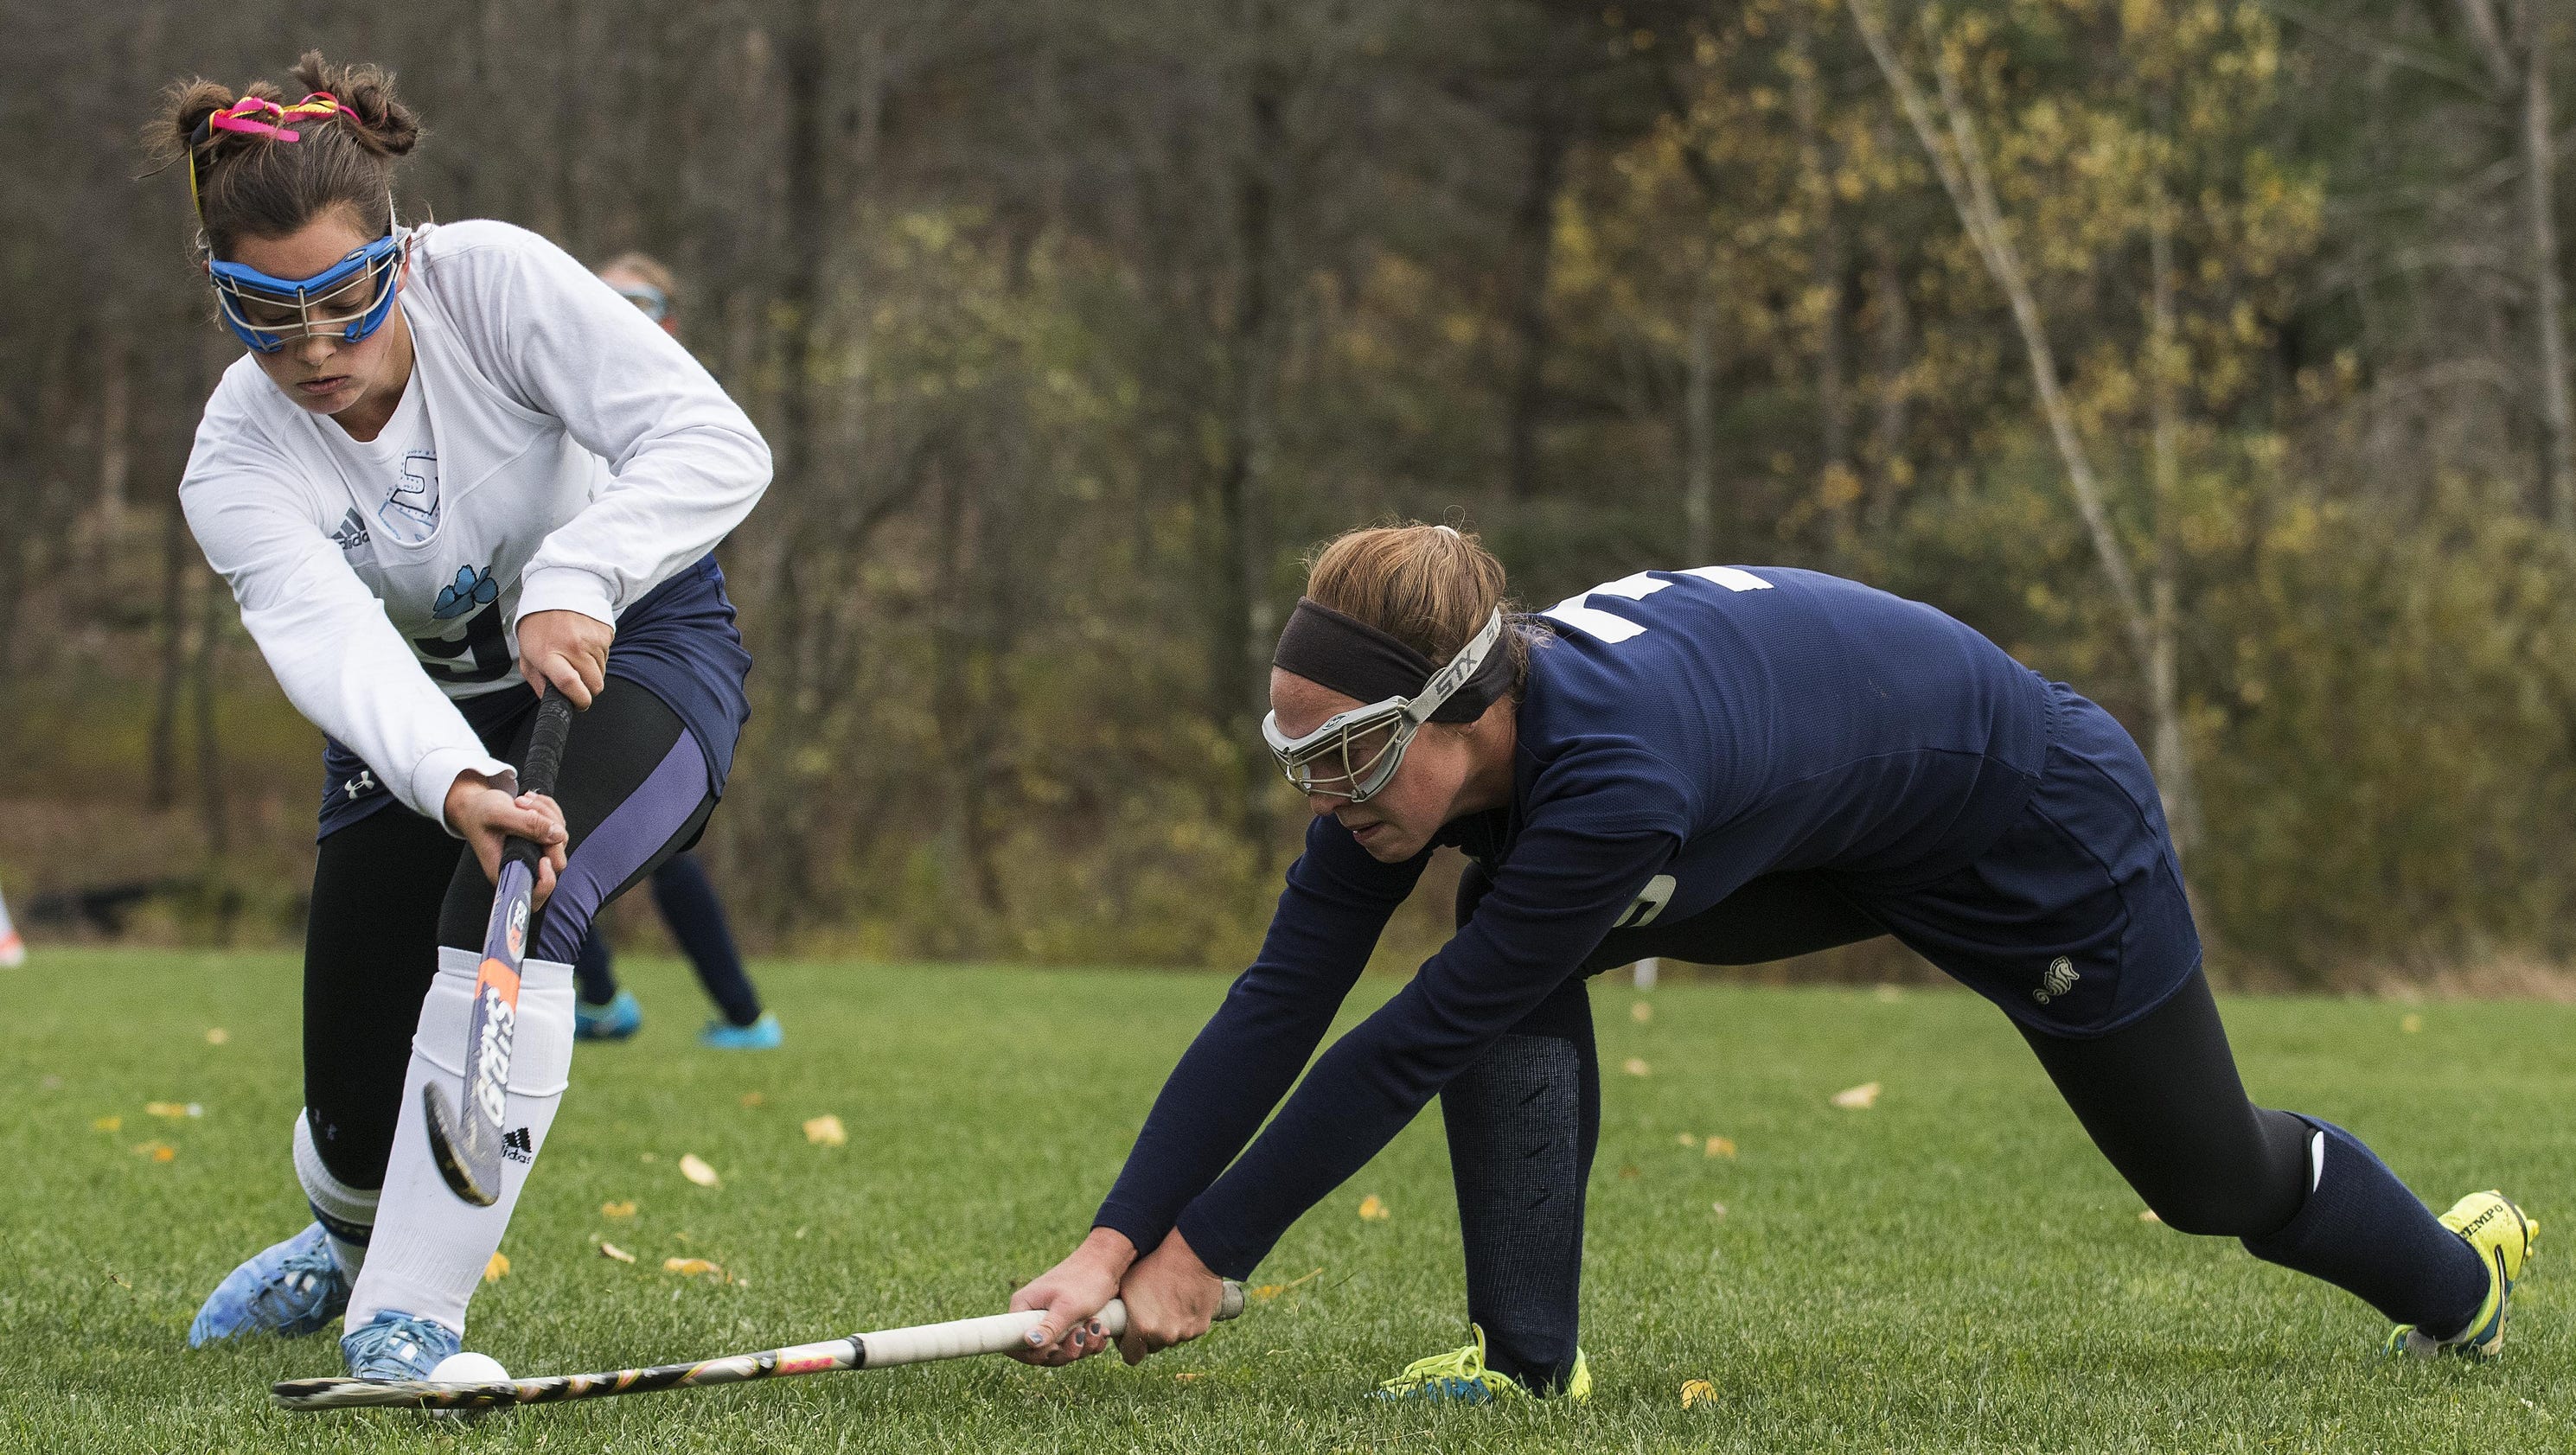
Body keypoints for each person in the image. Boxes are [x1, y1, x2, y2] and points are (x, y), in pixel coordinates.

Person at [1009, 523, 2535, 1401]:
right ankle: (1525, 1368)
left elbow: (1416, 1035)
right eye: (1297, 758)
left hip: (2026, 819)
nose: (1324, 796)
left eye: (1345, 755)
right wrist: (1110, 1235)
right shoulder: (1408, 764)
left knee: (2207, 1177)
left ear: (1459, 716)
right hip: (1814, 825)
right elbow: (1278, 996)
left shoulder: (1608, 780)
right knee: (1504, 945)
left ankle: (2456, 1276)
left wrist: (1207, 1253)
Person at [156, 54, 768, 1380]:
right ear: (220, 294)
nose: (314, 347)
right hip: (422, 697)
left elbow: (718, 444)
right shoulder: (236, 458)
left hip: (642, 644)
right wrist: (450, 777)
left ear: (399, 249)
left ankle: (409, 1317)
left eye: (345, 296)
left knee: (514, 896)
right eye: (267, 314)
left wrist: (578, 573)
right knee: (355, 1122)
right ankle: (349, 1241)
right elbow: (329, 643)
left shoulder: (492, 280)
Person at [564, 251, 778, 1050]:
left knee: (651, 840)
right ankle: (606, 998)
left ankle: (735, 1011)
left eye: (642, 302)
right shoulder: (555, 388)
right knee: (542, 812)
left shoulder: (682, 412)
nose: (622, 313)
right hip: (564, 621)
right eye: (605, 299)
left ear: (670, 322)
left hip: (650, 636)